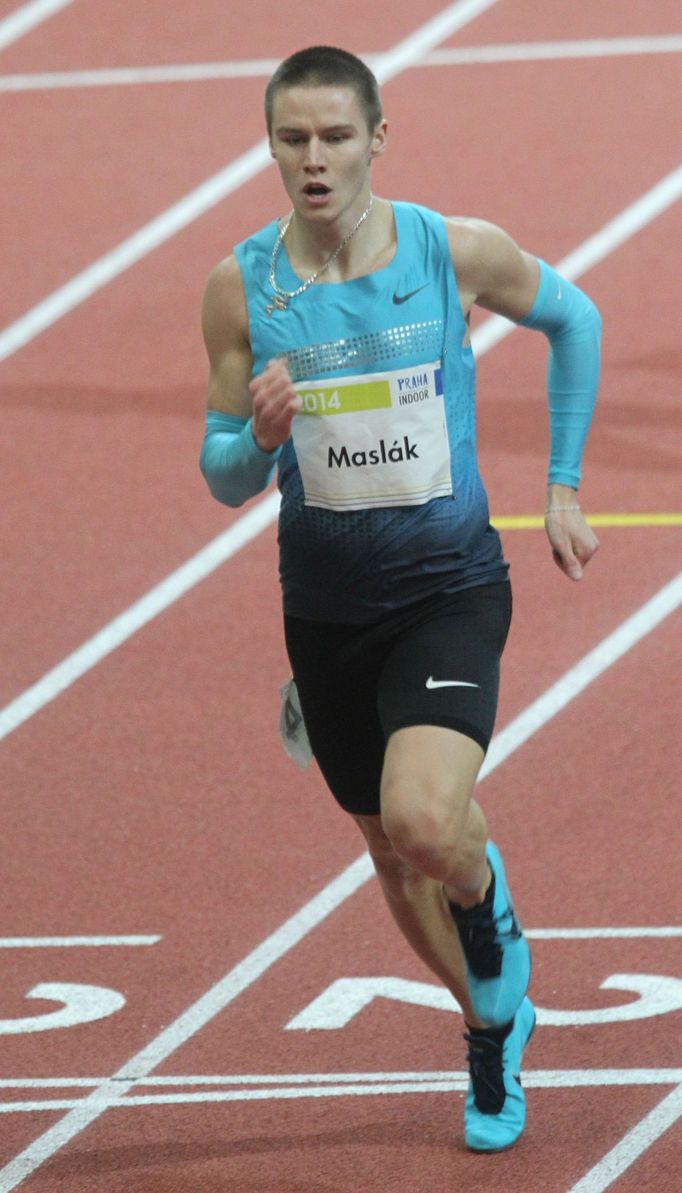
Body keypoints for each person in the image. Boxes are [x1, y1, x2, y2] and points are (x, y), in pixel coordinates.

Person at [199, 45, 601, 1152]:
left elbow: (577, 319)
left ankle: (489, 904)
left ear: (378, 137)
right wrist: (258, 439)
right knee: (383, 848)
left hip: (449, 586)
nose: (313, 158)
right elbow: (221, 470)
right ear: (271, 144)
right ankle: (488, 1022)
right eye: (293, 138)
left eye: (334, 136)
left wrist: (560, 482)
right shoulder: (241, 285)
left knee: (428, 823)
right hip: (325, 607)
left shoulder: (448, 250)